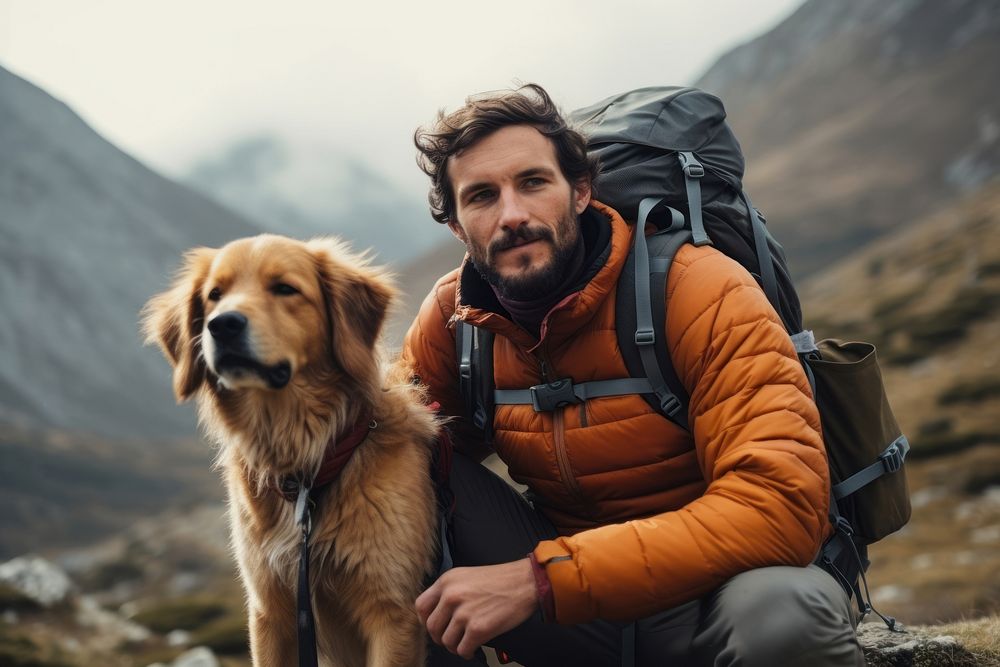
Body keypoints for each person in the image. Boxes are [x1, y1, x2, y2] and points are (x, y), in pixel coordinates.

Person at [401, 83, 864, 666]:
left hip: (716, 596)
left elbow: (780, 506)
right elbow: (373, 457)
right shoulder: (456, 320)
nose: (512, 215)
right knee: (377, 476)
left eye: (534, 182)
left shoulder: (698, 289)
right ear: (457, 227)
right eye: (482, 196)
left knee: (784, 621)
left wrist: (541, 581)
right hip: (580, 614)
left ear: (581, 192)